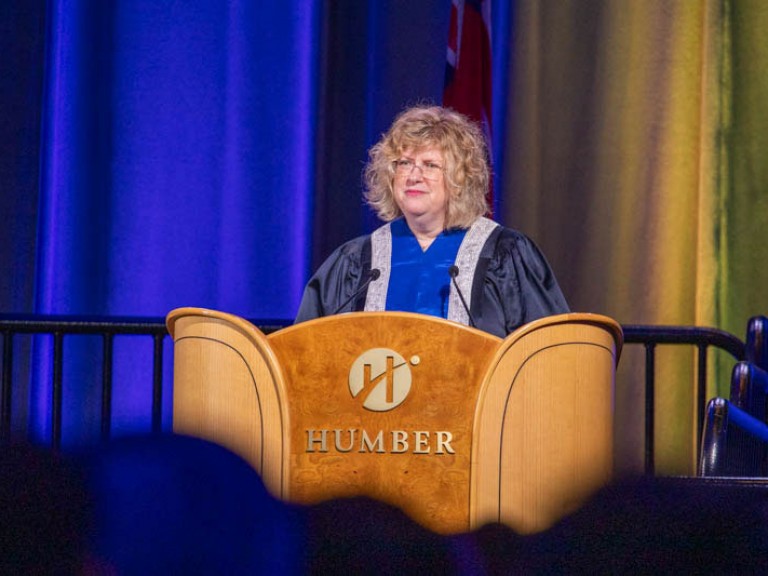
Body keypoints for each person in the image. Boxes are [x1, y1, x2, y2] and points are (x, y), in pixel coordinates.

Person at [295, 105, 568, 337]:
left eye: (430, 165)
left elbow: (545, 353)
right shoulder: (356, 261)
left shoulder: (506, 255)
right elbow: (308, 348)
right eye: (404, 163)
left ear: (460, 179)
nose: (414, 175)